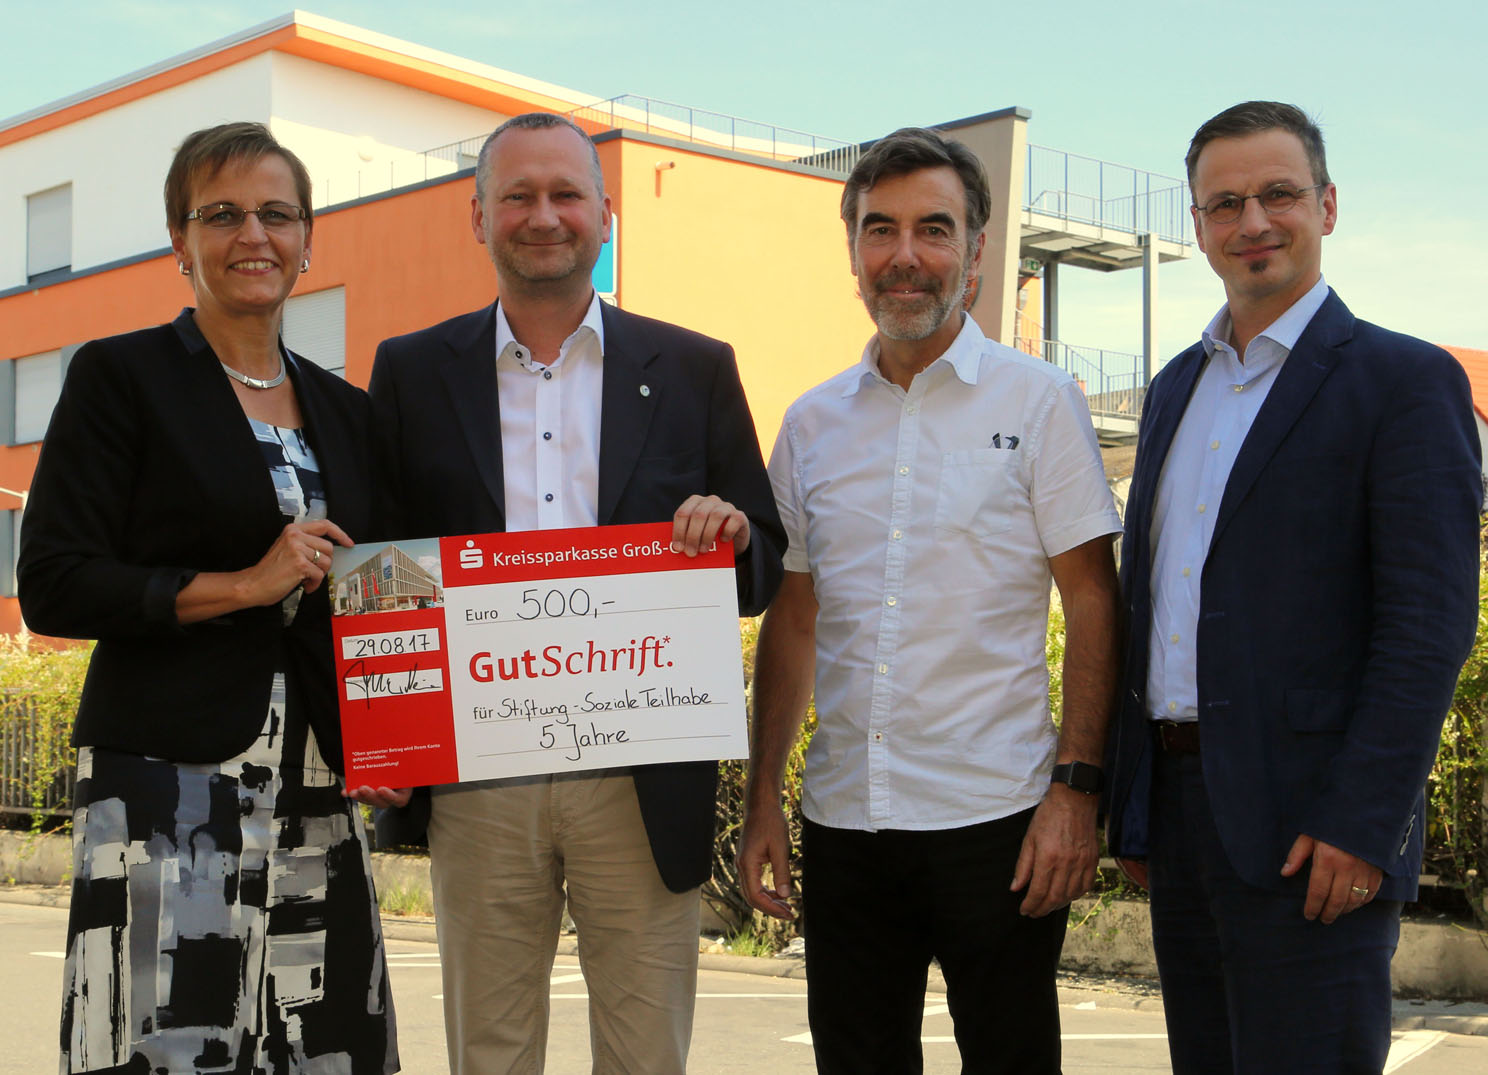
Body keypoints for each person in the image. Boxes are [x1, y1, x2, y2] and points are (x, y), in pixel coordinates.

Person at [366, 112, 785, 1075]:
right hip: (477, 780)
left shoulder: (693, 366)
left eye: (564, 194)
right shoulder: (411, 371)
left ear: (605, 213)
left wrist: (731, 535)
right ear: (478, 217)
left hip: (642, 779)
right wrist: (383, 734)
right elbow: (384, 572)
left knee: (645, 1057)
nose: (542, 215)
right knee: (491, 1054)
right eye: (517, 196)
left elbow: (765, 559)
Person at [1103, 101, 1481, 1074]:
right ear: (1197, 227)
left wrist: (1363, 821)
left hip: (1316, 829)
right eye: (1224, 203)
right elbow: (1150, 600)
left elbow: (1429, 623)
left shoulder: (1404, 381)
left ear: (1329, 204)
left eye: (1279, 194)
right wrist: (1135, 800)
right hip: (1185, 819)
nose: (1253, 221)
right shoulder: (1176, 388)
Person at [737, 126, 1123, 1074]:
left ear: (978, 253)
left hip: (998, 822)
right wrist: (761, 801)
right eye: (881, 230)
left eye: (933, 229)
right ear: (854, 253)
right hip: (845, 824)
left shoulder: (1040, 403)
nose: (905, 256)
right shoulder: (813, 423)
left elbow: (1094, 603)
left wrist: (1075, 793)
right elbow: (793, 619)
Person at [18, 123, 398, 1073]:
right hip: (165, 782)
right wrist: (245, 584)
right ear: (177, 244)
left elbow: (382, 597)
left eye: (276, 213)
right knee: (168, 1046)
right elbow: (55, 581)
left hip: (320, 785)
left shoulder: (349, 411)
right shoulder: (122, 377)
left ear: (311, 240)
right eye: (220, 214)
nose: (252, 235)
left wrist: (398, 736)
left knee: (326, 1047)